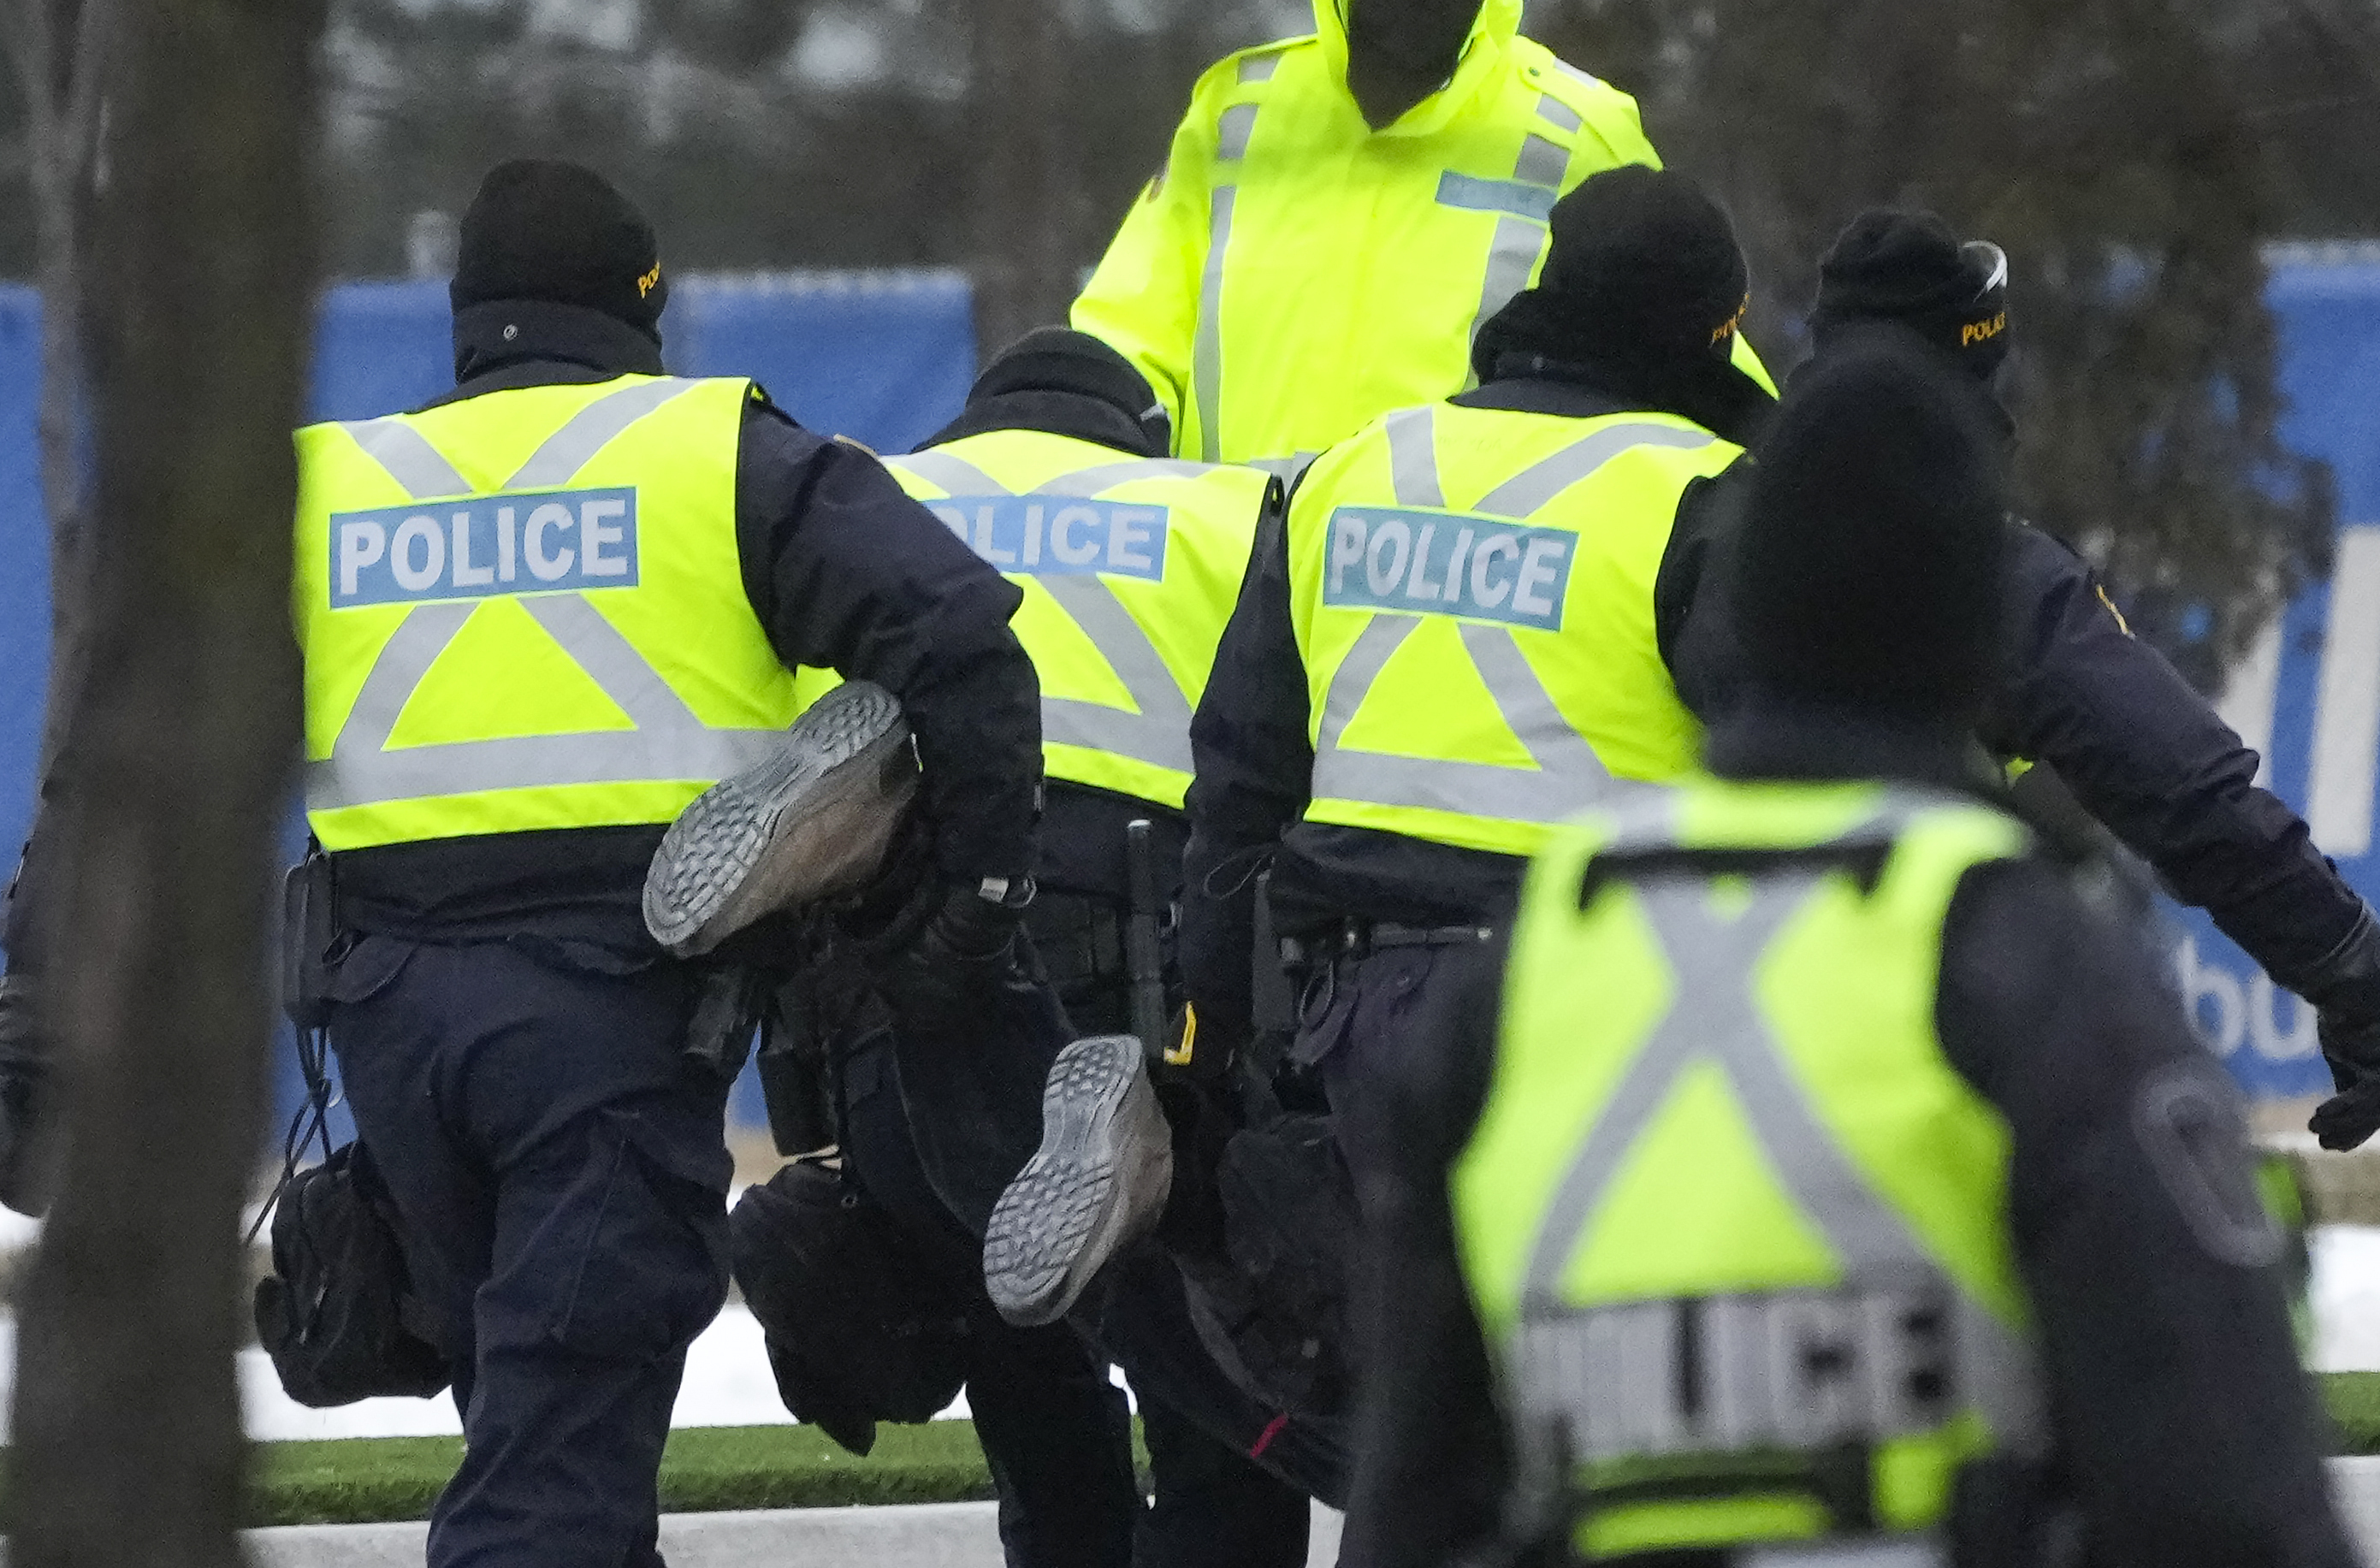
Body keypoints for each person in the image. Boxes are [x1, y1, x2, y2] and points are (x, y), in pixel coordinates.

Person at [1341, 346, 2358, 1568]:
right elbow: (2223, 1493)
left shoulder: (1532, 961)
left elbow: (1407, 1500)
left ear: (1748, 614)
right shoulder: (2024, 960)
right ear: (1971, 643)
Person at [288, 158, 1043, 1568]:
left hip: (385, 1025)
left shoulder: (329, 485)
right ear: (644, 304)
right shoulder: (715, 453)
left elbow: (138, 732)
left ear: (466, 315)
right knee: (559, 1453)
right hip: (612, 1016)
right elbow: (958, 637)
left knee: (532, 1415)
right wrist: (971, 896)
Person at [987, 163, 1774, 1328]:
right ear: (1711, 335)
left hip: (1361, 1002)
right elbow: (1792, 762)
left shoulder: (1351, 469)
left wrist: (1204, 1031)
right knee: (1598, 1377)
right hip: (1603, 996)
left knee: (1403, 1389)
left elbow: (1241, 775)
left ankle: (1196, 1191)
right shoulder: (1705, 496)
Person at [762, 330, 1332, 1563]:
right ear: (1139, 435)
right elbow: (1281, 774)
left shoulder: (869, 498)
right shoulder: (1223, 506)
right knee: (1216, 1412)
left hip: (906, 994)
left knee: (1024, 1372)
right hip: (1139, 995)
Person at [1768, 209, 2380, 1151]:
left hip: (1605, 1041)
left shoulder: (1684, 520)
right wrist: (2351, 970)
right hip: (1881, 1063)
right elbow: (2182, 788)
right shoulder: (1983, 574)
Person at [1071, 0, 1767, 470]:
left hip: (1452, 570)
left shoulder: (1579, 130)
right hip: (1237, 564)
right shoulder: (1238, 114)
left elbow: (1694, 358)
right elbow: (1127, 339)